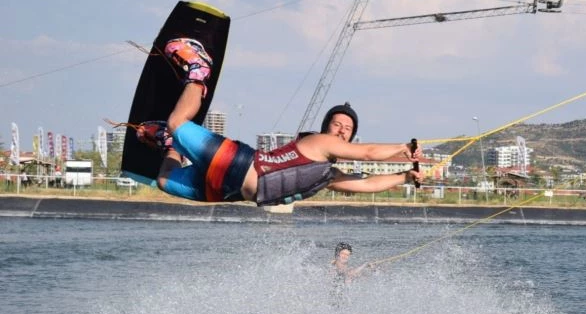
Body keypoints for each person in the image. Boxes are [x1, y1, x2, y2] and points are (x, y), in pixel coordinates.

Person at [134, 37, 423, 205]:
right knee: (177, 121)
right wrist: (403, 149)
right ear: (327, 129)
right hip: (239, 164)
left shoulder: (327, 176)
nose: (342, 130)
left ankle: (171, 146)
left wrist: (406, 177)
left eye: (348, 129)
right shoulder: (320, 143)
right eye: (338, 124)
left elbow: (367, 184)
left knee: (164, 180)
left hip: (233, 190)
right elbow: (369, 153)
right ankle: (199, 70)